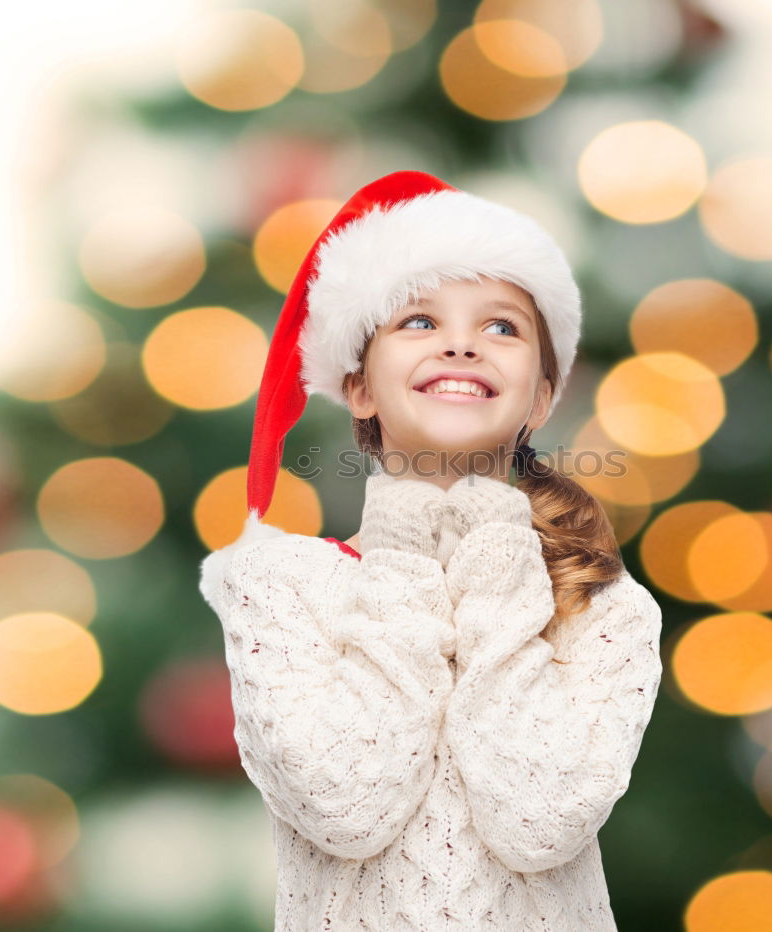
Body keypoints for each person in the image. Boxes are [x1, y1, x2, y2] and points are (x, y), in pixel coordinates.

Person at [198, 170, 664, 930]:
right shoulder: (277, 585)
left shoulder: (603, 606)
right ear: (359, 386)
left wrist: (498, 561)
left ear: (542, 397)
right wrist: (405, 554)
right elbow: (346, 808)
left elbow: (539, 823)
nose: (460, 342)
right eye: (418, 320)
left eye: (502, 327)